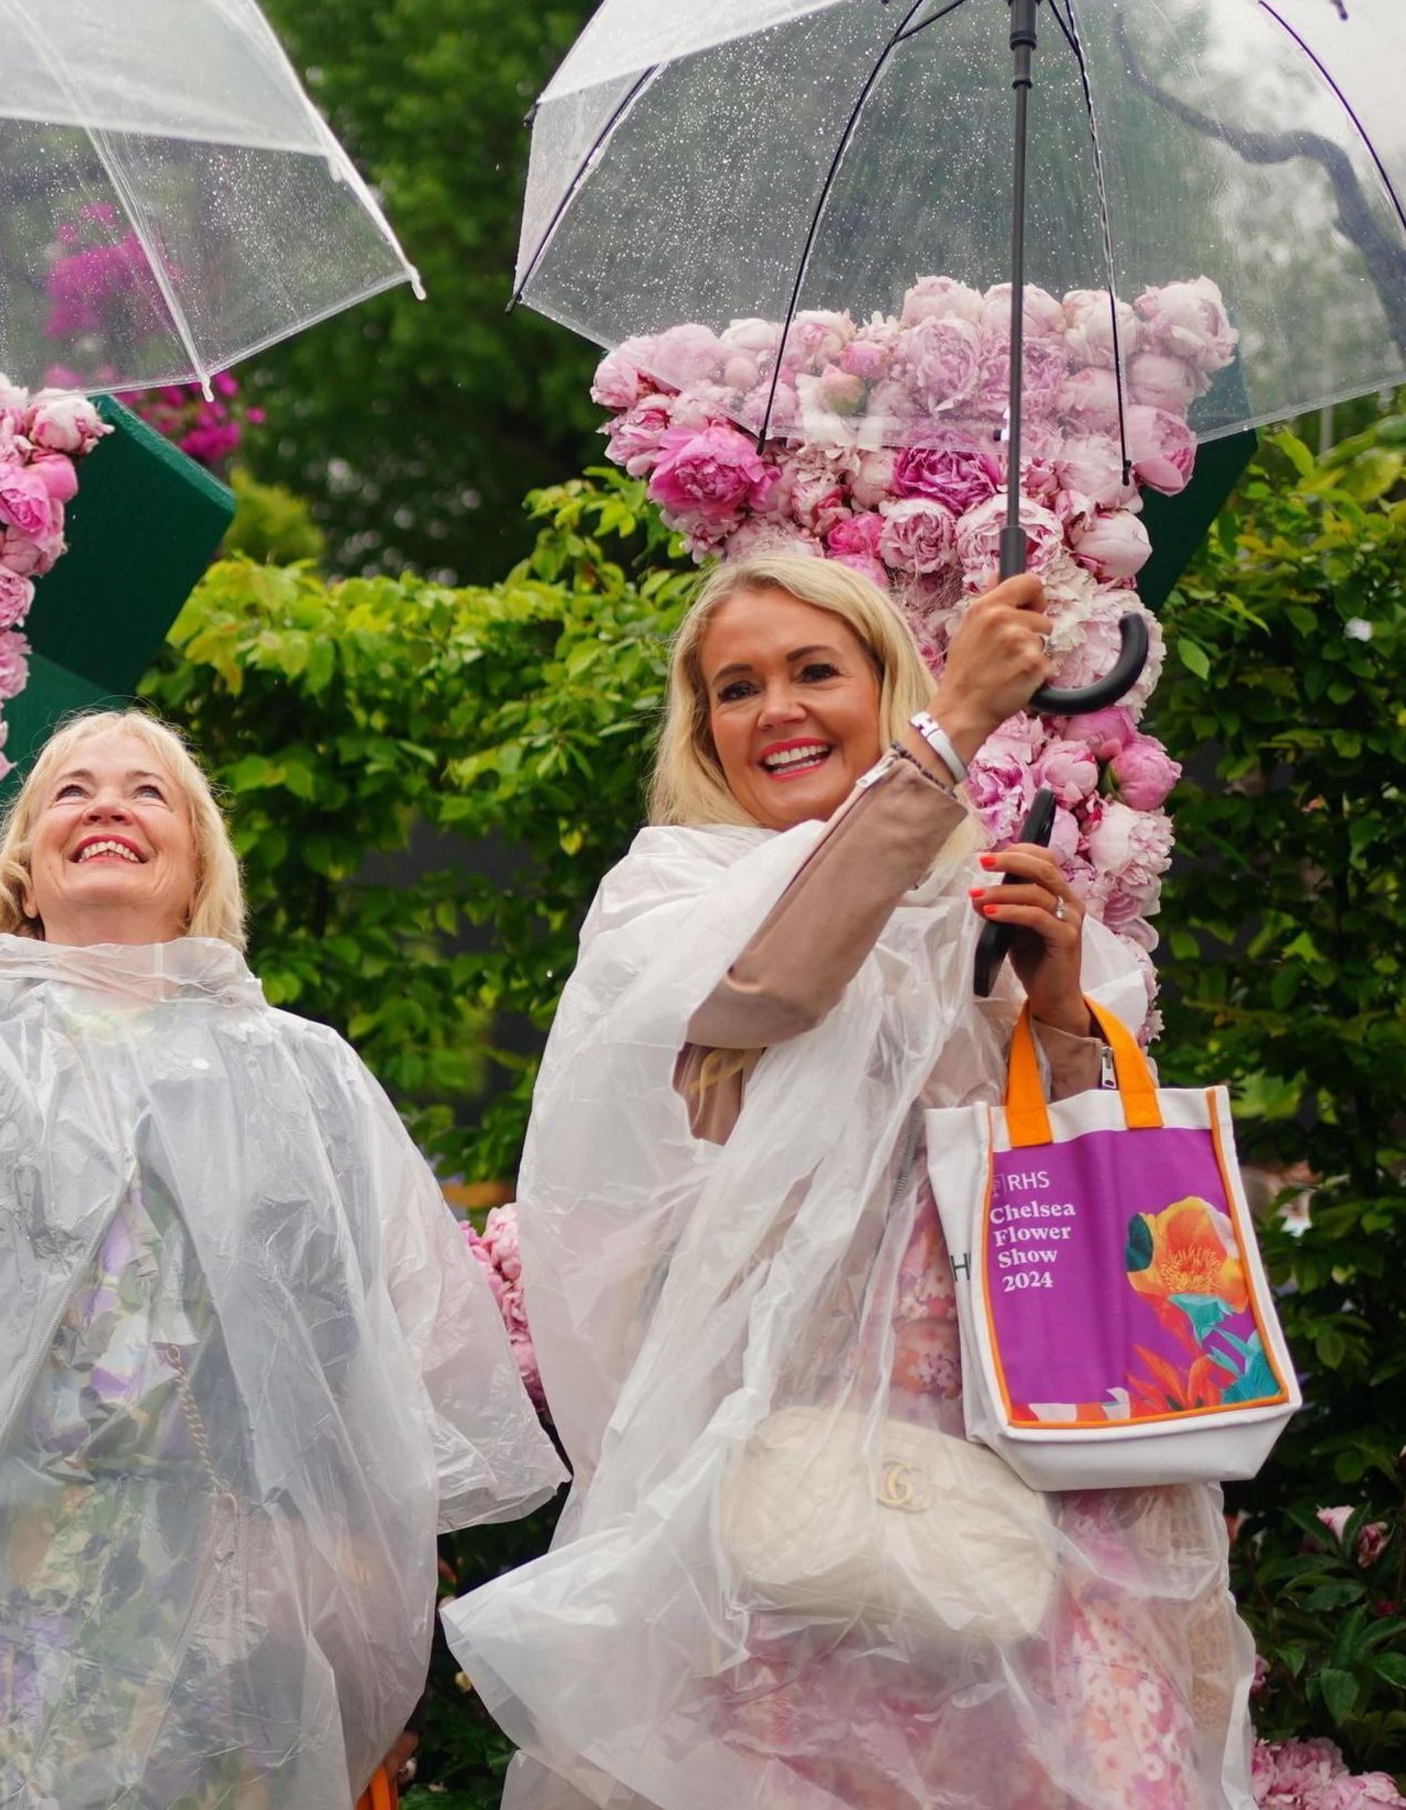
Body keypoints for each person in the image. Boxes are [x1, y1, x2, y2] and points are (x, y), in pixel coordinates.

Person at [443, 555, 1252, 1810]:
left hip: (1035, 1474)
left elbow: (1100, 1194)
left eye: (817, 670)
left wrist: (1053, 1002)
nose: (776, 709)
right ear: (701, 729)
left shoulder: (973, 900)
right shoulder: (674, 902)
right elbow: (778, 988)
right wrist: (955, 731)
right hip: (790, 1489)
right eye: (735, 687)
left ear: (883, 682)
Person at [0, 699, 565, 1810]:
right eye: (71, 788)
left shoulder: (299, 1075)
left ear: (196, 859)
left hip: (221, 1631)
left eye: (147, 789)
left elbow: (349, 1354)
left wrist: (345, 1581)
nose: (108, 801)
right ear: (23, 873)